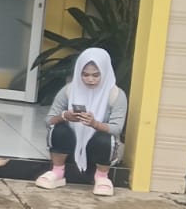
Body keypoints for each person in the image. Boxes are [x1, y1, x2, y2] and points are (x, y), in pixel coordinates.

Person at [35, 46, 127, 196]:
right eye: (85, 74)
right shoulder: (69, 90)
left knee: (105, 137)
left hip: (99, 149)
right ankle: (57, 172)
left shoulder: (116, 94)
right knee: (59, 129)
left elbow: (117, 128)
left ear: (105, 72)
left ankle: (102, 177)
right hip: (71, 145)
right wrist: (65, 116)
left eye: (96, 75)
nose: (90, 79)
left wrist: (95, 124)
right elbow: (49, 121)